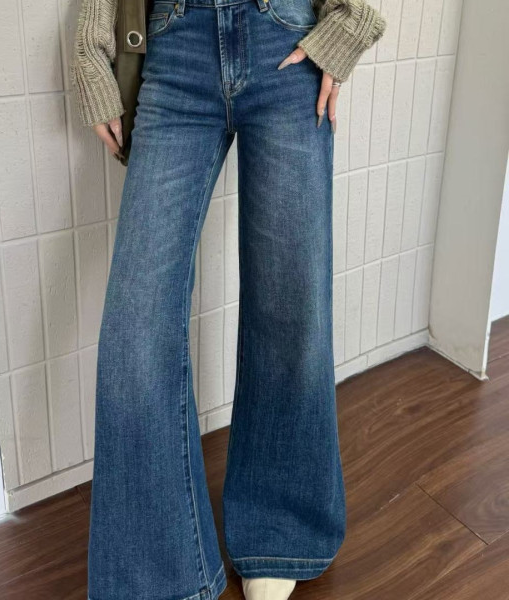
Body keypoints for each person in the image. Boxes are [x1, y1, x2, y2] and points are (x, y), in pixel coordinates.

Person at [71, 1, 386, 599]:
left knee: (291, 303)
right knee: (136, 326)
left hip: (284, 37)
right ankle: (157, 577)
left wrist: (348, 24)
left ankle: (278, 530)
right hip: (175, 47)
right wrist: (91, 49)